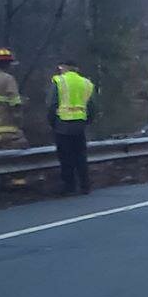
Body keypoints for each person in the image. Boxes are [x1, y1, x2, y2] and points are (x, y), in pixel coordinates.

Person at [48, 59, 95, 195]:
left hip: (62, 124)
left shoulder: (59, 81)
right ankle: (85, 185)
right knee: (80, 155)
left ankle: (69, 186)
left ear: (63, 67)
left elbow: (52, 104)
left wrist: (52, 122)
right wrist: (87, 121)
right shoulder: (86, 83)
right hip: (80, 124)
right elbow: (92, 107)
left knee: (65, 156)